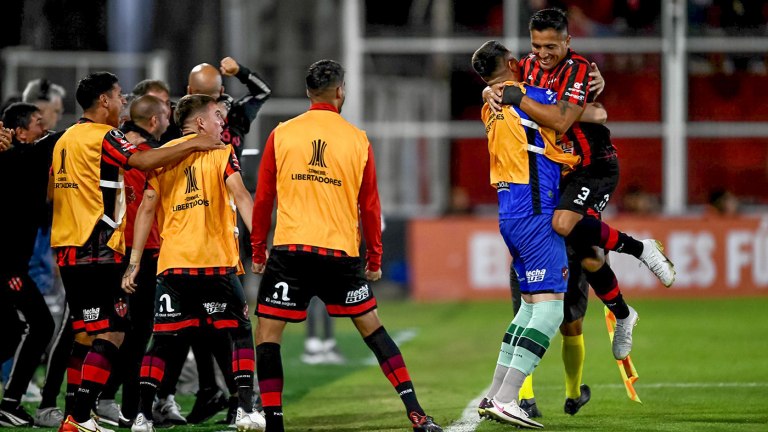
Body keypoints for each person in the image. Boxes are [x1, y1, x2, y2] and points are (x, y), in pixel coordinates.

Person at [251, 59, 442, 432]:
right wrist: (375, 257)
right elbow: (370, 206)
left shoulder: (281, 133)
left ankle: (274, 423)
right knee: (373, 330)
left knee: (267, 336)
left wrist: (258, 250)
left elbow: (263, 199)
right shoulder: (358, 139)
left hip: (290, 252)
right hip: (339, 255)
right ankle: (417, 414)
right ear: (341, 91)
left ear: (308, 93)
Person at [485, 7, 675, 361]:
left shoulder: (579, 69)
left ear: (567, 42)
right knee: (589, 256)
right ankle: (623, 314)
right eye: (536, 45)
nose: (542, 54)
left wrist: (520, 100)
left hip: (594, 166)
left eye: (550, 47)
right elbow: (500, 87)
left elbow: (561, 121)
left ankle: (642, 249)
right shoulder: (525, 67)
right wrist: (491, 94)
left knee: (563, 223)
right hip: (563, 173)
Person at [52, 71, 224, 432]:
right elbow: (144, 162)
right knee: (114, 331)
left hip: (68, 246)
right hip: (96, 247)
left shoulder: (66, 138)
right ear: (103, 101)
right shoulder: (103, 135)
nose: (121, 103)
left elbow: (52, 193)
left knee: (85, 331)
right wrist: (194, 143)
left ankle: (78, 411)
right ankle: (80, 415)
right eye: (117, 96)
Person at [121, 93, 266, 432]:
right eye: (217, 116)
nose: (222, 123)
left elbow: (146, 208)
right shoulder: (221, 154)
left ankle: (142, 416)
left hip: (173, 267)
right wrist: (259, 245)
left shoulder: (163, 158)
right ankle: (245, 409)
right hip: (215, 262)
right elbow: (242, 196)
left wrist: (134, 263)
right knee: (242, 331)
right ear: (200, 122)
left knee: (163, 341)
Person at [471, 40, 585, 429]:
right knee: (552, 310)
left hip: (511, 212)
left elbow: (495, 92)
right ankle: (507, 399)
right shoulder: (529, 97)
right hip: (536, 212)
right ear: (509, 63)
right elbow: (568, 113)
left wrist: (490, 87)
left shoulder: (489, 105)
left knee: (529, 308)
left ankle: (494, 393)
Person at [182, 57, 272, 425]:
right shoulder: (186, 118)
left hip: (219, 213)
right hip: (194, 214)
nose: (217, 115)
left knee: (225, 314)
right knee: (205, 315)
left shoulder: (217, 117)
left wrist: (241, 72)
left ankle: (237, 396)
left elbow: (262, 91)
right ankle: (220, 392)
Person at [94, 95, 178, 427]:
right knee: (140, 332)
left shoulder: (113, 150)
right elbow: (146, 208)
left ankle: (107, 400)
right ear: (154, 121)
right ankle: (129, 408)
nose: (169, 119)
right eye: (166, 114)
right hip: (139, 254)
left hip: (106, 252)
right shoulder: (147, 158)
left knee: (118, 331)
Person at [0, 103, 55, 427]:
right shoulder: (18, 158)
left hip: (11, 264)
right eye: (37, 122)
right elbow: (55, 140)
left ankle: (10, 401)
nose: (44, 126)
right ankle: (10, 400)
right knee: (36, 326)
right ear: (20, 132)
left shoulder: (23, 158)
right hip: (6, 266)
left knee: (14, 330)